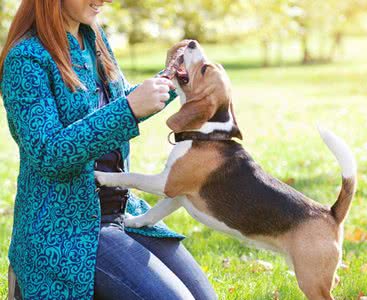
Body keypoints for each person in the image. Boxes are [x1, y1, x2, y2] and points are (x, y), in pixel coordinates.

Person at [0, 1, 217, 299]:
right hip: (69, 230)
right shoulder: (25, 59)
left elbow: (117, 103)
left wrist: (168, 78)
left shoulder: (93, 38)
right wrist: (129, 110)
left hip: (123, 212)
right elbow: (47, 154)